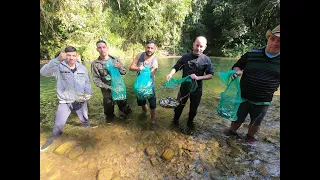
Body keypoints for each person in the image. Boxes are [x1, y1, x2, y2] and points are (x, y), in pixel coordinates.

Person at [226, 25, 280, 144]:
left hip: (263, 101)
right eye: (273, 39)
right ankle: (231, 134)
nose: (275, 43)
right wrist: (237, 71)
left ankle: (249, 139)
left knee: (256, 123)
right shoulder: (251, 53)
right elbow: (237, 65)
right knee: (236, 120)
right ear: (268, 38)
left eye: (279, 41)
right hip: (243, 97)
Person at [40, 46, 96, 151]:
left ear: (77, 56)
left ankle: (88, 135)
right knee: (58, 125)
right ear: (65, 55)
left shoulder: (82, 68)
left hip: (80, 100)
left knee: (85, 120)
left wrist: (88, 94)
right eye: (69, 55)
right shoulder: (58, 67)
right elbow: (43, 72)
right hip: (65, 102)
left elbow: (87, 82)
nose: (71, 58)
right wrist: (57, 59)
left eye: (73, 55)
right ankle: (51, 139)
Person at [166, 36, 214, 134]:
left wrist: (198, 78)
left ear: (205, 47)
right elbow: (176, 67)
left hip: (197, 89)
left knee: (193, 109)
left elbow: (210, 75)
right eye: (197, 45)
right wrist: (170, 74)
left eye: (201, 46)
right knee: (179, 106)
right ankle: (175, 122)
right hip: (184, 88)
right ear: (193, 45)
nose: (198, 48)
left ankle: (190, 123)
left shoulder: (206, 60)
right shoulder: (185, 57)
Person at [91, 40, 132, 123]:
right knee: (109, 115)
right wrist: (109, 87)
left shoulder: (115, 59)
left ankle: (129, 124)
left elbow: (124, 72)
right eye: (99, 48)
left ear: (107, 48)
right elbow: (96, 80)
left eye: (104, 47)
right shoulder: (95, 64)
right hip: (107, 93)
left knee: (126, 110)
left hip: (119, 90)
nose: (102, 49)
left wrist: (120, 67)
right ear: (97, 50)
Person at [129, 40, 158, 130]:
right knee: (142, 103)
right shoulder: (140, 55)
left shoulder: (154, 60)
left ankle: (153, 122)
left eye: (151, 48)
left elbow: (154, 70)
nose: (149, 49)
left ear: (155, 49)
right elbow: (130, 67)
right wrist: (138, 68)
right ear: (145, 47)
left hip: (150, 86)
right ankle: (145, 113)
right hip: (140, 86)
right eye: (148, 47)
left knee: (153, 105)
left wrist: (152, 70)